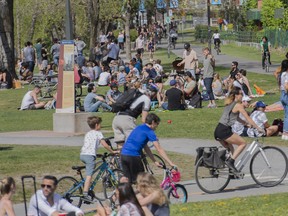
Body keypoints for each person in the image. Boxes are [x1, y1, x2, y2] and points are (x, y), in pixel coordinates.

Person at [214, 87, 265, 173]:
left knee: (232, 151)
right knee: (243, 143)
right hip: (224, 130)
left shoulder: (230, 104)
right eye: (241, 94)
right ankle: (230, 162)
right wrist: (258, 128)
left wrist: (245, 124)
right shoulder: (238, 105)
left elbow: (235, 117)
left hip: (219, 130)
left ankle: (231, 170)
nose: (242, 95)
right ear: (236, 95)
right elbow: (248, 117)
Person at [120, 113, 177, 183]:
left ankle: (120, 192)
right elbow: (159, 149)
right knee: (142, 181)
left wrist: (155, 161)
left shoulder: (139, 127)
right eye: (157, 124)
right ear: (153, 122)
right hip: (133, 156)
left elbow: (145, 147)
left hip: (123, 155)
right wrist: (170, 163)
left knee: (127, 181)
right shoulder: (150, 132)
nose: (157, 127)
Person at [80, 116, 117, 202]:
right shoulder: (98, 133)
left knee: (92, 169)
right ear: (97, 125)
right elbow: (104, 144)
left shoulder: (88, 133)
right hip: (89, 156)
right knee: (89, 175)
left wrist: (95, 154)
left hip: (83, 154)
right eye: (100, 124)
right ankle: (85, 193)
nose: (101, 126)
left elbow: (89, 145)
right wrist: (112, 151)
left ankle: (87, 189)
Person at [112, 84, 158, 149]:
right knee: (135, 145)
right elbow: (144, 120)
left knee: (120, 148)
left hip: (116, 118)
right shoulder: (146, 99)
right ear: (152, 93)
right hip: (127, 120)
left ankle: (116, 159)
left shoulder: (134, 95)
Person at [280, 59, 288, 140]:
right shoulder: (287, 74)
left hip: (282, 94)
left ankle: (284, 133)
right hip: (286, 95)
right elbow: (286, 86)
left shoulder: (282, 74)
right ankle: (286, 132)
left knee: (286, 115)